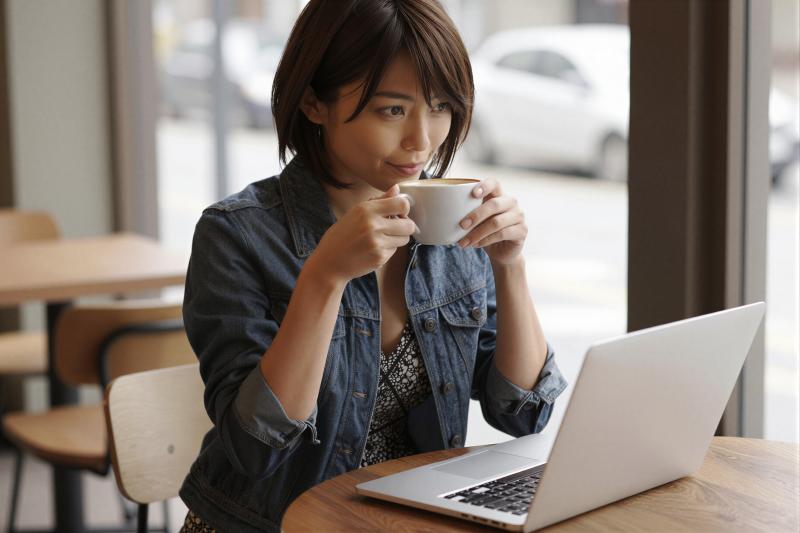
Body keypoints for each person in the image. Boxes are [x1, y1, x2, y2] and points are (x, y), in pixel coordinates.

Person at [178, 1, 567, 531]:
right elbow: (255, 447)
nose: (422, 140)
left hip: (404, 519)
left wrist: (510, 264)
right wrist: (324, 277)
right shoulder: (237, 235)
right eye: (392, 110)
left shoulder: (449, 226)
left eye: (439, 106)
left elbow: (522, 412)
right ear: (315, 102)